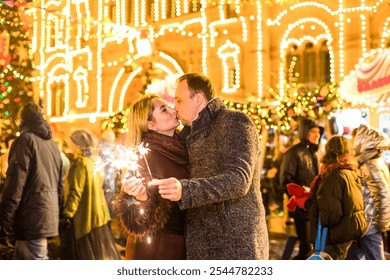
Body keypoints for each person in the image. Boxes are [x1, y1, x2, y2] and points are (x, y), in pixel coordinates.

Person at [150, 73, 269, 260]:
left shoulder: (233, 122)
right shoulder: (186, 136)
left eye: (180, 100)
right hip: (199, 244)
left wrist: (186, 190)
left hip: (234, 244)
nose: (175, 106)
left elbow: (239, 180)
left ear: (198, 99)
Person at [116, 93, 189, 260]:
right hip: (157, 249)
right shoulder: (145, 157)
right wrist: (142, 198)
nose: (172, 110)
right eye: (164, 110)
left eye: (169, 106)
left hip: (180, 244)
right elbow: (137, 220)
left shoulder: (182, 148)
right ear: (151, 124)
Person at [0, 102, 64, 260]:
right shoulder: (53, 145)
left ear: (22, 120)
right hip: (46, 213)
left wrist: (5, 219)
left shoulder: (24, 141)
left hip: (31, 217)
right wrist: (58, 213)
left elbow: (16, 183)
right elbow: (60, 185)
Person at [60, 129, 120, 260]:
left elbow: (75, 192)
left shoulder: (80, 163)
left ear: (78, 144)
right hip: (98, 217)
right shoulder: (94, 160)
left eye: (72, 143)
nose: (70, 146)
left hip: (84, 218)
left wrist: (67, 215)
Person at [305, 135, 366, 259]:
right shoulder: (351, 171)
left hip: (334, 235)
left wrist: (309, 205)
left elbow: (329, 215)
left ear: (329, 151)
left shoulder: (333, 176)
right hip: (348, 229)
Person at [279, 118, 324, 259]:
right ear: (305, 133)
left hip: (311, 206)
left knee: (308, 245)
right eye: (313, 131)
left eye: (318, 132)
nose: (317, 135)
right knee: (305, 245)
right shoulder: (294, 152)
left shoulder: (312, 152)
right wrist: (299, 197)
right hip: (300, 207)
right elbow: (285, 180)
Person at [347, 124, 390, 260]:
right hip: (364, 223)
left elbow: (383, 194)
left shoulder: (370, 165)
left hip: (369, 225)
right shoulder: (371, 162)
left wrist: (382, 223)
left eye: (353, 140)